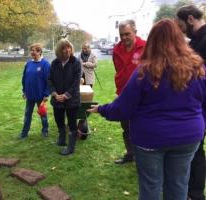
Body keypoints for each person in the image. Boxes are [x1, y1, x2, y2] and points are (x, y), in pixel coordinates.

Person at [88, 19, 205, 200]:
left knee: (151, 185)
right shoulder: (198, 68)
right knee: (179, 184)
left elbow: (123, 108)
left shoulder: (146, 70)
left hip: (151, 139)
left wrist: (102, 109)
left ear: (153, 41)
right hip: (188, 137)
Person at [177, 5, 206, 200]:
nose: (179, 29)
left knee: (196, 150)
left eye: (180, 24)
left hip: (202, 104)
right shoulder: (196, 40)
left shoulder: (203, 41)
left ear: (189, 19)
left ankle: (195, 194)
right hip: (199, 103)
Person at [112, 19, 146, 164]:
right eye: (121, 35)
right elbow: (118, 70)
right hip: (124, 95)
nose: (124, 37)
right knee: (126, 127)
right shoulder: (116, 50)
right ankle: (130, 154)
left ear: (135, 32)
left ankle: (143, 158)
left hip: (142, 96)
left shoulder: (145, 47)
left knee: (141, 128)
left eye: (127, 34)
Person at [49, 39, 81, 155]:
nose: (67, 50)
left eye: (69, 47)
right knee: (59, 120)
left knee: (72, 123)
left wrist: (66, 95)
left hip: (72, 99)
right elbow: (49, 80)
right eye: (64, 48)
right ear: (59, 50)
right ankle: (61, 140)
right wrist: (54, 94)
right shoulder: (54, 63)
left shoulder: (76, 62)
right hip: (57, 98)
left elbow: (76, 82)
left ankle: (71, 147)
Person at [18, 43, 50, 139]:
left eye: (35, 50)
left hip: (41, 95)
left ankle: (45, 130)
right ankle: (24, 133)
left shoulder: (45, 64)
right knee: (27, 114)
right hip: (30, 95)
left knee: (42, 114)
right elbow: (24, 78)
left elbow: (49, 81)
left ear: (40, 52)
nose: (32, 52)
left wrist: (46, 94)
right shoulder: (28, 64)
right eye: (31, 50)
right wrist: (24, 91)